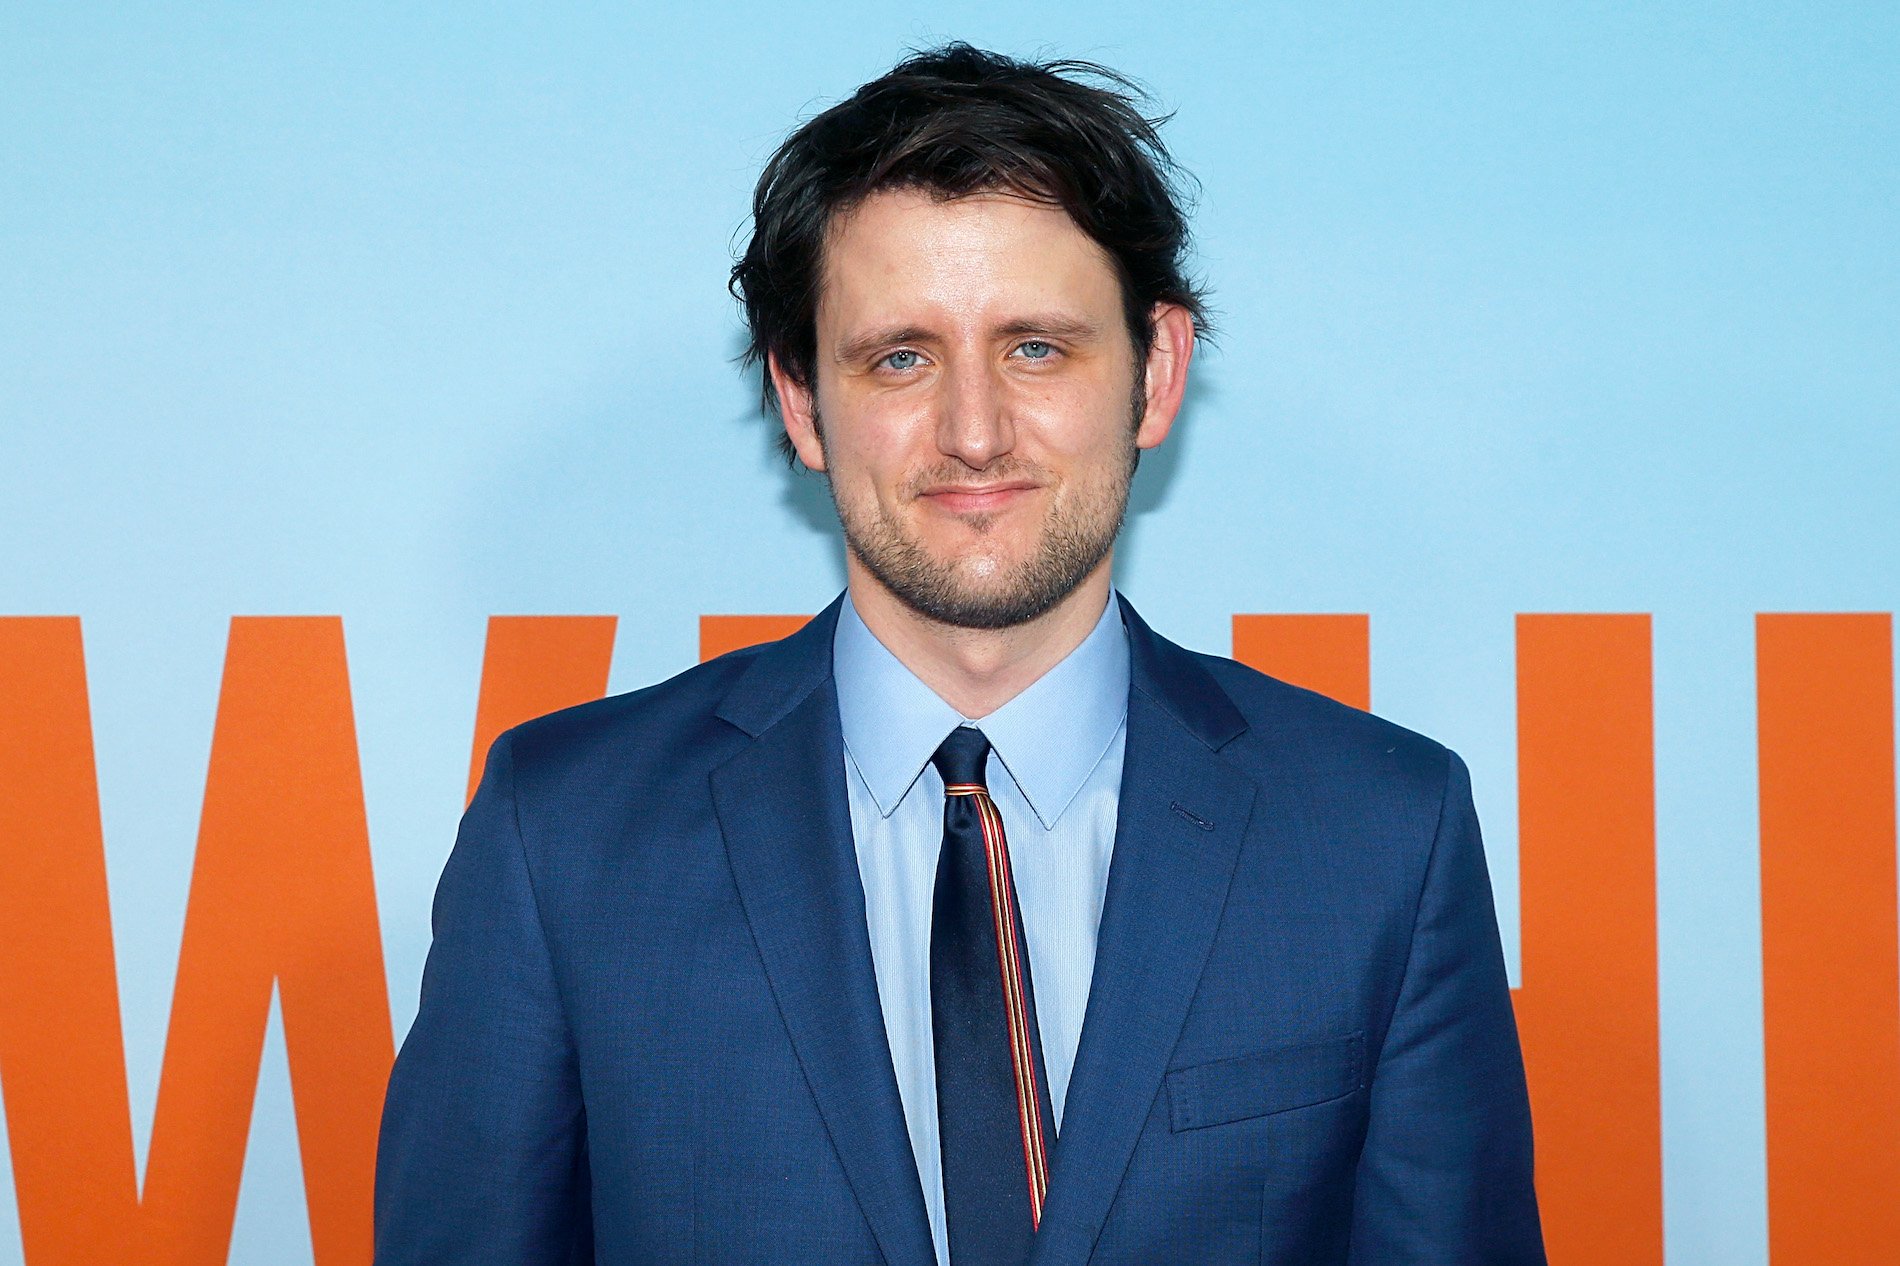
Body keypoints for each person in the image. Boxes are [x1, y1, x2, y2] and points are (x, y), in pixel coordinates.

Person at [374, 43, 1545, 1266]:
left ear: (1155, 375)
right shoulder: (566, 834)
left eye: (1036, 347)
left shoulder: (1379, 836)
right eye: (900, 358)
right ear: (799, 401)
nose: (973, 432)